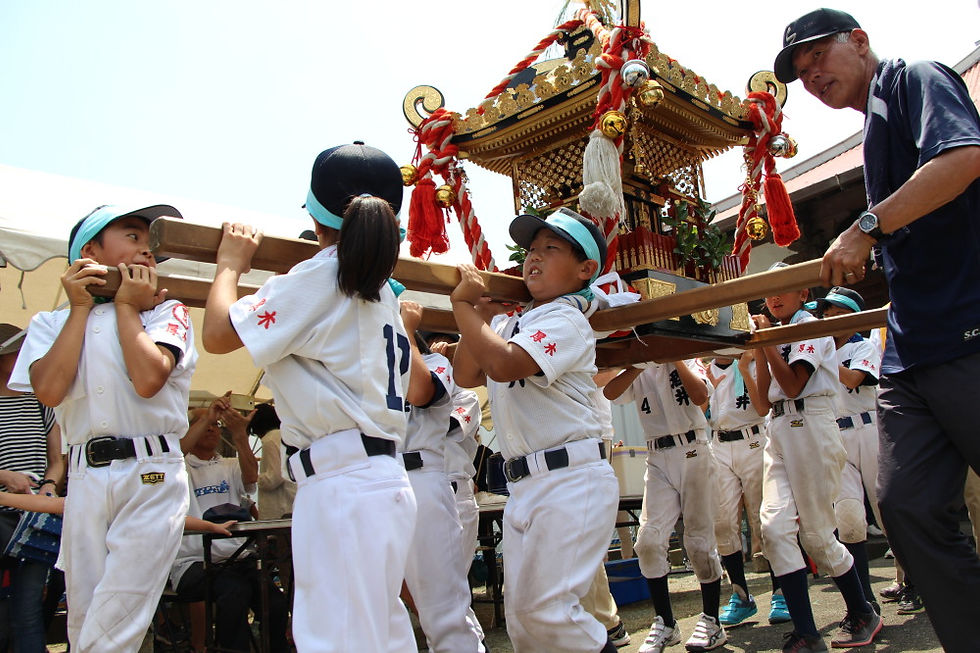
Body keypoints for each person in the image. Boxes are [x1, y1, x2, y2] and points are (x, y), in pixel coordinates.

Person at [774, 9, 980, 650]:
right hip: (912, 343)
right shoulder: (873, 131)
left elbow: (965, 156)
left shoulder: (915, 80)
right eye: (801, 74)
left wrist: (864, 226)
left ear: (859, 42)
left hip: (966, 324)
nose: (812, 78)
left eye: (818, 61)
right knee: (906, 505)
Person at [202, 142, 425, 652]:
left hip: (344, 482)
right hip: (380, 476)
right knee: (380, 635)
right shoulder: (382, 289)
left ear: (314, 214)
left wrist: (229, 266)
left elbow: (217, 335)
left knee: (338, 639)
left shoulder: (322, 274)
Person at [9, 204, 197, 653]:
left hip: (151, 472)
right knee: (84, 619)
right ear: (89, 250)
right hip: (86, 481)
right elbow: (49, 391)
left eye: (150, 243)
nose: (146, 250)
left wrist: (128, 307)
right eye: (132, 235)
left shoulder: (165, 310)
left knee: (117, 620)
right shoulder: (50, 322)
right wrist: (79, 308)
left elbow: (150, 378)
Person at [450, 208, 619, 653]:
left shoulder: (566, 320)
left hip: (571, 478)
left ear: (585, 270)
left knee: (548, 612)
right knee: (525, 621)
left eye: (551, 248)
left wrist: (463, 306)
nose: (534, 258)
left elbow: (504, 365)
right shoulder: (512, 321)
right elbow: (468, 373)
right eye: (530, 249)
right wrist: (480, 318)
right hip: (526, 484)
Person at [751, 273, 880, 652]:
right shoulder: (774, 332)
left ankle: (862, 610)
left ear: (802, 292)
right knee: (774, 530)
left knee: (819, 536)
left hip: (813, 422)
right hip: (778, 426)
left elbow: (794, 385)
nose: (773, 298)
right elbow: (763, 402)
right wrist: (761, 347)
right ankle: (807, 633)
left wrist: (767, 342)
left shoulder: (811, 326)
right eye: (767, 294)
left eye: (782, 289)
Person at [604, 359, 727, 653]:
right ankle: (666, 623)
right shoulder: (639, 365)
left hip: (693, 449)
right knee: (647, 541)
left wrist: (673, 357)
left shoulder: (685, 357)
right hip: (657, 454)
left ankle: (712, 620)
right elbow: (611, 392)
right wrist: (637, 364)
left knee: (698, 541)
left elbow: (700, 397)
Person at [171, 404, 289, 653]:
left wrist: (239, 434)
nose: (212, 428)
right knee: (235, 593)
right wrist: (208, 416)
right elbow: (176, 451)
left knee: (276, 603)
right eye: (205, 424)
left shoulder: (229, 464)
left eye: (216, 424)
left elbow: (250, 480)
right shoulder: (177, 466)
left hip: (238, 560)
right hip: (194, 561)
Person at [808, 287, 883, 615]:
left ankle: (910, 581)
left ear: (853, 317)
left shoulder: (862, 345)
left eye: (838, 314)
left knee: (887, 510)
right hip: (836, 434)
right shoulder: (820, 350)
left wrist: (825, 357)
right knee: (849, 519)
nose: (829, 319)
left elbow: (854, 379)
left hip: (869, 430)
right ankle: (866, 596)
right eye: (826, 314)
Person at [704, 351, 786, 627]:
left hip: (753, 438)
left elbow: (763, 406)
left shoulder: (751, 362)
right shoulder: (704, 368)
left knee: (763, 518)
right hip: (718, 443)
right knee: (723, 522)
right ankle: (740, 593)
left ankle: (781, 590)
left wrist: (744, 367)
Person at [0, 323, 65, 653]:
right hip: (2, 515)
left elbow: (57, 459)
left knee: (27, 612)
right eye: (16, 350)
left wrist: (49, 487)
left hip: (35, 518)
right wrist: (5, 476)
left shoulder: (41, 400)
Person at [251, 403, 296, 520]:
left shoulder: (270, 440)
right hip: (293, 502)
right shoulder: (286, 435)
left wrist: (257, 478)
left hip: (280, 508)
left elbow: (274, 477)